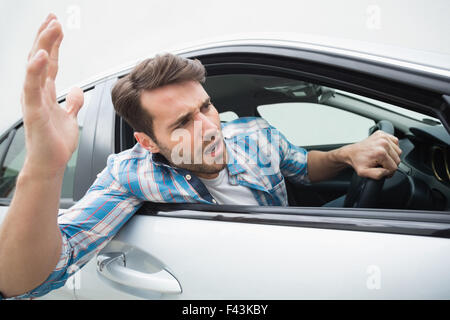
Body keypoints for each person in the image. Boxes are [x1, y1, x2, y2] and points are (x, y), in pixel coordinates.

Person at [0, 14, 402, 299]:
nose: (209, 127)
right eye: (182, 123)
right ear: (148, 142)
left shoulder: (255, 136)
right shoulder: (130, 174)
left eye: (206, 107)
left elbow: (302, 167)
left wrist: (349, 154)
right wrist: (43, 167)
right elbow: (26, 280)